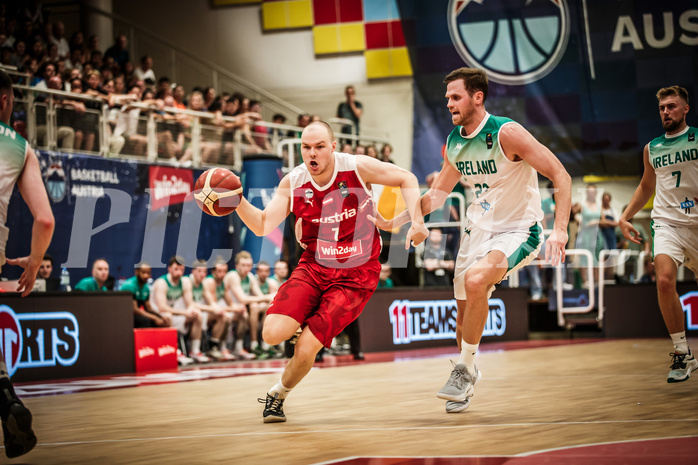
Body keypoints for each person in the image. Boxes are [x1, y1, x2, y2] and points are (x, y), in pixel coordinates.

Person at [375, 68, 571, 414]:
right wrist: (399, 220)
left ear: (477, 97)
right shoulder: (455, 142)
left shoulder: (506, 133)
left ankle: (463, 369)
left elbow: (560, 174)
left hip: (518, 231)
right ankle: (468, 374)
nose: (448, 103)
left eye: (455, 97)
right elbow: (436, 196)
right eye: (447, 97)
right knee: (462, 316)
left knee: (476, 279)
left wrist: (561, 228)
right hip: (476, 232)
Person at [233, 120, 427, 422]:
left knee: (308, 346)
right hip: (314, 266)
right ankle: (303, 321)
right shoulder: (294, 181)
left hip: (356, 274)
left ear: (333, 147)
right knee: (272, 335)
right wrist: (236, 199)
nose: (313, 154)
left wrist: (416, 221)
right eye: (306, 147)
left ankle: (277, 395)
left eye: (320, 146)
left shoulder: (357, 167)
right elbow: (261, 224)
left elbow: (407, 177)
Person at [619, 85, 698, 383]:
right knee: (664, 279)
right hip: (667, 224)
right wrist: (625, 216)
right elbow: (645, 187)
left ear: (685, 108)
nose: (666, 111)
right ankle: (682, 353)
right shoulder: (652, 148)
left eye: (672, 106)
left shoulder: (697, 138)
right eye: (662, 107)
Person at [0, 68, 54, 457]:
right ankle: (7, 400)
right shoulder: (19, 146)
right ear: (5, 100)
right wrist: (34, 263)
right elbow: (45, 219)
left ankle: (7, 403)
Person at [149, 256, 209, 364]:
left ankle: (195, 351)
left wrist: (191, 311)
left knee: (197, 314)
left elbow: (190, 303)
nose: (179, 272)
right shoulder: (162, 283)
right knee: (167, 315)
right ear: (169, 269)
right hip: (159, 314)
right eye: (176, 269)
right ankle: (174, 350)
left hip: (176, 314)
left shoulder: (185, 282)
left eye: (181, 269)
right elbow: (162, 307)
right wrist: (185, 312)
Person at [224, 251, 273, 360]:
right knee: (250, 309)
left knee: (266, 307)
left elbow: (260, 296)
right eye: (243, 265)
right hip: (228, 308)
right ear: (237, 266)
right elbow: (243, 299)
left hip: (241, 308)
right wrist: (269, 296)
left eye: (249, 265)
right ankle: (250, 345)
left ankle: (264, 344)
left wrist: (268, 299)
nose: (247, 268)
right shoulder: (233, 276)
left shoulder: (250, 277)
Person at [185, 260, 231, 361]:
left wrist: (218, 309)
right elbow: (191, 304)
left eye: (204, 271)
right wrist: (212, 308)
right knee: (198, 315)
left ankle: (214, 347)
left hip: (199, 312)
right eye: (199, 271)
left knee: (222, 315)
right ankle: (194, 351)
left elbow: (211, 301)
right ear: (193, 271)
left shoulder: (204, 283)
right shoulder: (187, 281)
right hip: (184, 313)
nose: (202, 274)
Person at [203, 260, 245, 361]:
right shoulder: (210, 282)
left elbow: (230, 303)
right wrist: (233, 308)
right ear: (213, 272)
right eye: (219, 271)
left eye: (224, 271)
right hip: (205, 312)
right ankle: (214, 347)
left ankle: (235, 347)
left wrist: (238, 307)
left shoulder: (223, 283)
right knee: (224, 316)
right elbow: (214, 305)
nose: (222, 274)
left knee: (242, 314)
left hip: (216, 310)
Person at [120, 262, 169, 328]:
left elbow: (148, 308)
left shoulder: (146, 288)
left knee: (162, 321)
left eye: (148, 273)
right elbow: (135, 310)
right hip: (124, 314)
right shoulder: (129, 286)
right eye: (143, 272)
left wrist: (160, 316)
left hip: (136, 314)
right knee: (146, 321)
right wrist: (154, 318)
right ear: (137, 272)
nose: (146, 276)